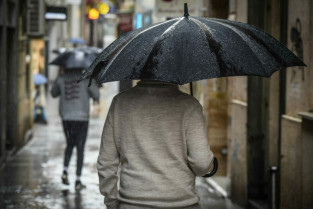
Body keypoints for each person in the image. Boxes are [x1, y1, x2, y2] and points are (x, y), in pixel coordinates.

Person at [97, 80, 214, 209]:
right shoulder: (190, 105)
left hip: (132, 204)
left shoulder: (120, 103)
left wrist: (112, 202)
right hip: (182, 204)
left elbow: (106, 162)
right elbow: (202, 164)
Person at [51, 69, 100, 191]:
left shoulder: (61, 79)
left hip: (67, 118)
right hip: (82, 119)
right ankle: (78, 180)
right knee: (80, 147)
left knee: (69, 144)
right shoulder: (86, 78)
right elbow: (96, 95)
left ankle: (65, 171)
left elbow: (53, 93)